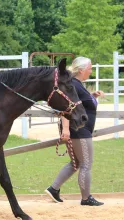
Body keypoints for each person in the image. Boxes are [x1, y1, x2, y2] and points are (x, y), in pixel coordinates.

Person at [45, 57, 104, 206]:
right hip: (78, 129)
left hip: (78, 129)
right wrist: (65, 129)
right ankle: (86, 198)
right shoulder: (73, 85)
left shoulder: (76, 85)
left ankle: (53, 189)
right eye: (90, 68)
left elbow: (80, 104)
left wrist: (92, 97)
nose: (91, 71)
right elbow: (66, 107)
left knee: (76, 163)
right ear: (82, 70)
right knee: (86, 163)